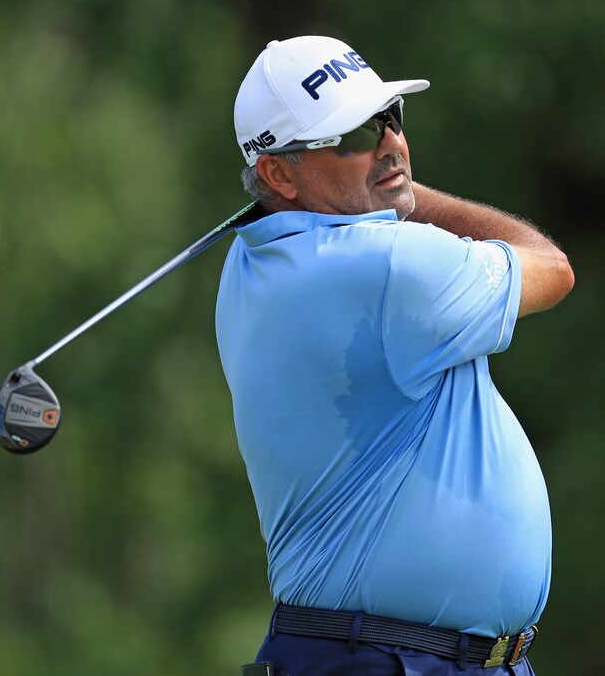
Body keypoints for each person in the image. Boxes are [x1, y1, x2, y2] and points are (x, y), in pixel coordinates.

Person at [217, 36, 574, 676]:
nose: (392, 144)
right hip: (388, 658)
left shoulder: (249, 263)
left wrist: (378, 181)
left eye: (390, 119)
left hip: (378, 651)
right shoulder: (383, 267)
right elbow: (552, 268)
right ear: (278, 174)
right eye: (353, 134)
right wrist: (403, 191)